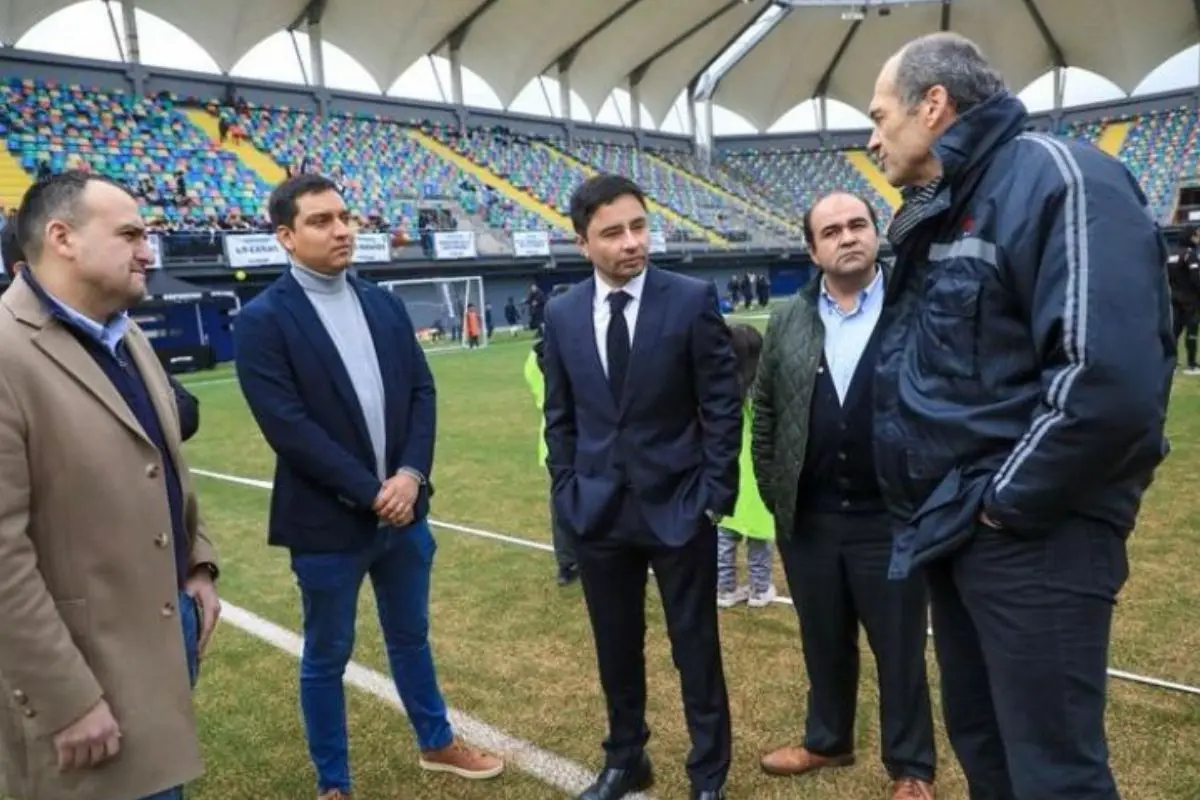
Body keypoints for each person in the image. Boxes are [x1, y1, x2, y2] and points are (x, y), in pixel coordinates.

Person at [867, 33, 1173, 799]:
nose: (872, 139)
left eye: (879, 115)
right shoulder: (949, 205)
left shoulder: (1059, 176)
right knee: (986, 747)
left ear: (932, 105)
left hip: (1033, 537)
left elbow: (1108, 385)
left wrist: (1002, 507)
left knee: (1052, 773)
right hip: (960, 530)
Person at [233, 174, 503, 800]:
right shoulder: (264, 321)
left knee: (410, 635)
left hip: (406, 515)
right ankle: (334, 784)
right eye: (322, 221)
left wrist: (410, 476)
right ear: (286, 237)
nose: (342, 230)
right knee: (327, 654)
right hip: (329, 523)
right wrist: (371, 490)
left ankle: (436, 742)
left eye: (346, 217)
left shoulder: (382, 302)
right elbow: (289, 429)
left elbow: (422, 392)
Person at [0, 171, 220, 800]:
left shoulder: (127, 336)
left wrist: (198, 560)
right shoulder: (7, 353)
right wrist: (64, 698)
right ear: (61, 237)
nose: (148, 250)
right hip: (78, 675)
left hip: (157, 636)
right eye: (130, 234)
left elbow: (161, 464)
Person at [541, 173, 742, 800]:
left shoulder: (690, 299)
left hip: (680, 507)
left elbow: (721, 402)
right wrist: (569, 490)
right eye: (612, 232)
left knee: (695, 650)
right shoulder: (562, 312)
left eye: (638, 226)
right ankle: (626, 758)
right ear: (582, 243)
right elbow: (561, 415)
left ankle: (708, 775)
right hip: (599, 512)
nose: (631, 242)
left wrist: (714, 494)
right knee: (616, 650)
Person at [752, 191, 935, 800]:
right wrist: (778, 495)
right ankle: (827, 739)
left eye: (858, 224)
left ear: (876, 233)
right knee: (823, 639)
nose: (847, 236)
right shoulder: (789, 319)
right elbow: (768, 414)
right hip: (812, 518)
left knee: (900, 649)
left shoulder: (916, 305)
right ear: (813, 249)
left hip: (892, 516)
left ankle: (911, 767)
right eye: (831, 231)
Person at [0, 220, 201, 442]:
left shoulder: (117, 328)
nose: (146, 256)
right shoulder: (14, 348)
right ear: (21, 271)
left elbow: (185, 411)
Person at [716, 323, 776, 609]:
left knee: (725, 536)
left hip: (726, 474)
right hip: (756, 476)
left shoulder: (719, 391)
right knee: (759, 539)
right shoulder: (762, 393)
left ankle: (725, 589)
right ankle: (759, 588)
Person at [527, 284, 579, 586]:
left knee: (561, 501)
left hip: (553, 438)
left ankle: (567, 562)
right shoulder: (576, 348)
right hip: (583, 434)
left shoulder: (533, 357)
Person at [1168, 226, 1200, 374]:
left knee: (1175, 330)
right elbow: (1196, 278)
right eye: (1196, 236)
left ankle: (1171, 364)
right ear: (1190, 237)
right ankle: (1192, 365)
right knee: (1192, 330)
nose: (1198, 239)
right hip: (1190, 298)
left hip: (1175, 296)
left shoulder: (1172, 253)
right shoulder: (1190, 254)